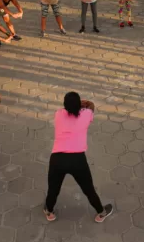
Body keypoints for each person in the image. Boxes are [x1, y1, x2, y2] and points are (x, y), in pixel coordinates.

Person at [44, 92, 113, 222]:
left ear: (65, 105)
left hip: (57, 159)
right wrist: (82, 103)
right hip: (78, 161)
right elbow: (91, 105)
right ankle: (101, 213)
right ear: (79, 105)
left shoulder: (58, 114)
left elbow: (67, 109)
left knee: (53, 188)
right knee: (88, 189)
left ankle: (49, 211)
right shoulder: (86, 114)